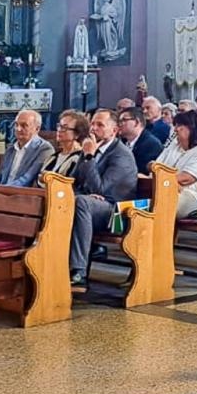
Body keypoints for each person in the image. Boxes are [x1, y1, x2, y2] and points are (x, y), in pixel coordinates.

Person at [69, 108, 138, 288]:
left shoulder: (121, 154)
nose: (93, 129)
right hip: (92, 205)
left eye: (100, 125)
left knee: (82, 202)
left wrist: (90, 156)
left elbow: (101, 189)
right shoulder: (90, 148)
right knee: (64, 200)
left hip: (115, 211)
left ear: (114, 131)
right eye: (92, 123)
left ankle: (79, 271)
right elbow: (73, 182)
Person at [155, 110, 197, 217]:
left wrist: (159, 179)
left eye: (180, 125)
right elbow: (156, 166)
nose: (176, 129)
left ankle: (161, 233)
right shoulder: (173, 147)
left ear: (192, 128)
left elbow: (185, 179)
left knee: (161, 203)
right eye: (175, 125)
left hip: (196, 197)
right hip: (168, 190)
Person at [0, 108, 52, 186]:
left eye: (24, 125)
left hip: (22, 194)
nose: (18, 129)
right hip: (1, 192)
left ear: (37, 128)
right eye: (16, 125)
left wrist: (2, 190)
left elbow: (27, 179)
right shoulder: (11, 149)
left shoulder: (44, 149)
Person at [116, 107, 164, 173]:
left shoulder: (151, 145)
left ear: (136, 122)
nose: (119, 124)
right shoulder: (121, 142)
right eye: (118, 121)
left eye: (123, 120)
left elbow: (142, 171)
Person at [43, 109, 88, 179]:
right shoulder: (52, 157)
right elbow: (39, 180)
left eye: (64, 127)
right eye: (59, 126)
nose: (59, 130)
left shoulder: (79, 158)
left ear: (77, 134)